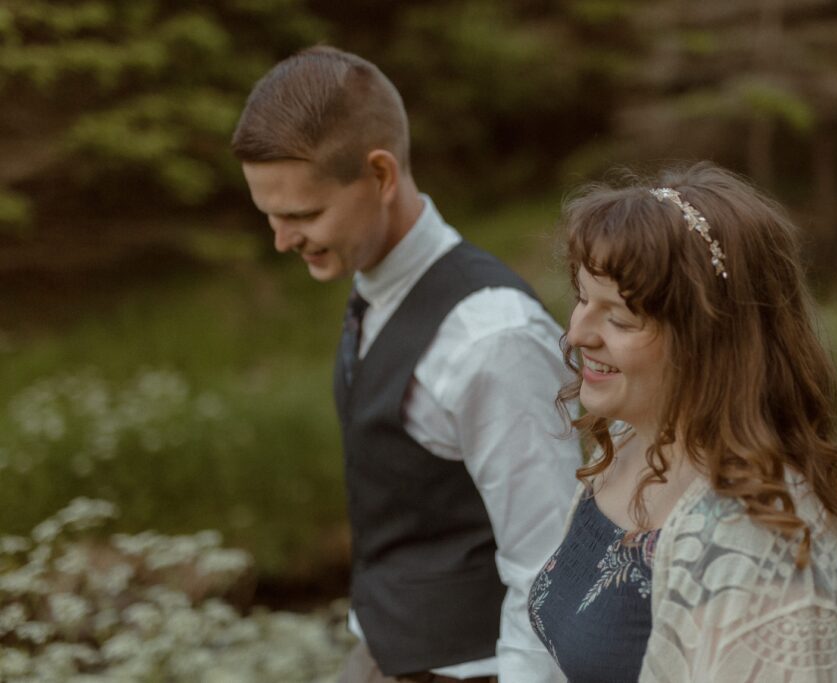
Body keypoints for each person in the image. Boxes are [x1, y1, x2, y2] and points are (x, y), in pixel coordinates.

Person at [231, 46, 579, 683]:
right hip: (384, 651)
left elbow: (553, 565)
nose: (281, 241)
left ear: (381, 176)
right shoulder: (375, 282)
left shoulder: (493, 340)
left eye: (302, 215)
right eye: (270, 218)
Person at [528, 162, 837, 682]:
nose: (577, 332)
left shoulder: (763, 536)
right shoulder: (632, 442)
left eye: (619, 318)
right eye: (581, 297)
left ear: (710, 342)